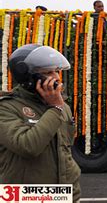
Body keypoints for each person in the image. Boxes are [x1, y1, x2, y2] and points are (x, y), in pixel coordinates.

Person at [0, 44, 81, 202]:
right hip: (27, 197)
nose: (56, 77)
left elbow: (66, 149)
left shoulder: (62, 106)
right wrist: (55, 109)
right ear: (30, 77)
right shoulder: (6, 107)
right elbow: (28, 146)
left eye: (56, 71)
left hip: (65, 196)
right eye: (48, 72)